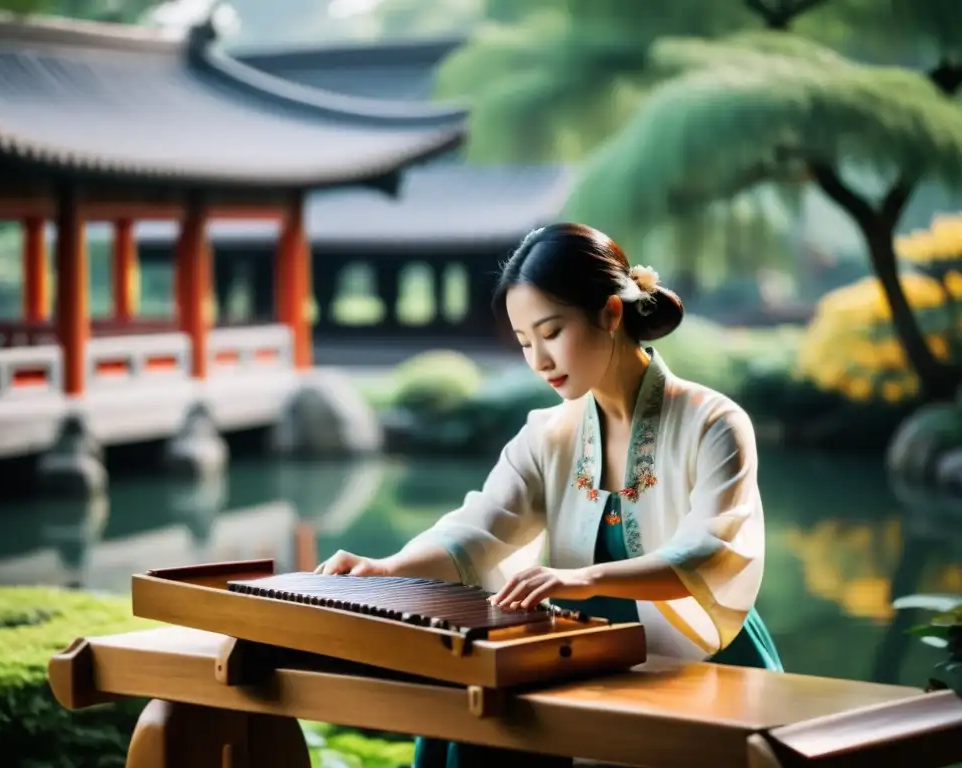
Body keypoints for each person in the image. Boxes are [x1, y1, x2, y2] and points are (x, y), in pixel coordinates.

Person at [315, 223, 783, 767]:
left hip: (695, 644)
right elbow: (480, 532)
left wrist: (581, 579)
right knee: (469, 720)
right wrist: (387, 569)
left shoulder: (714, 423)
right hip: (574, 642)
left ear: (611, 313)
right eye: (523, 342)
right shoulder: (547, 434)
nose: (538, 360)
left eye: (552, 332)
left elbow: (709, 551)